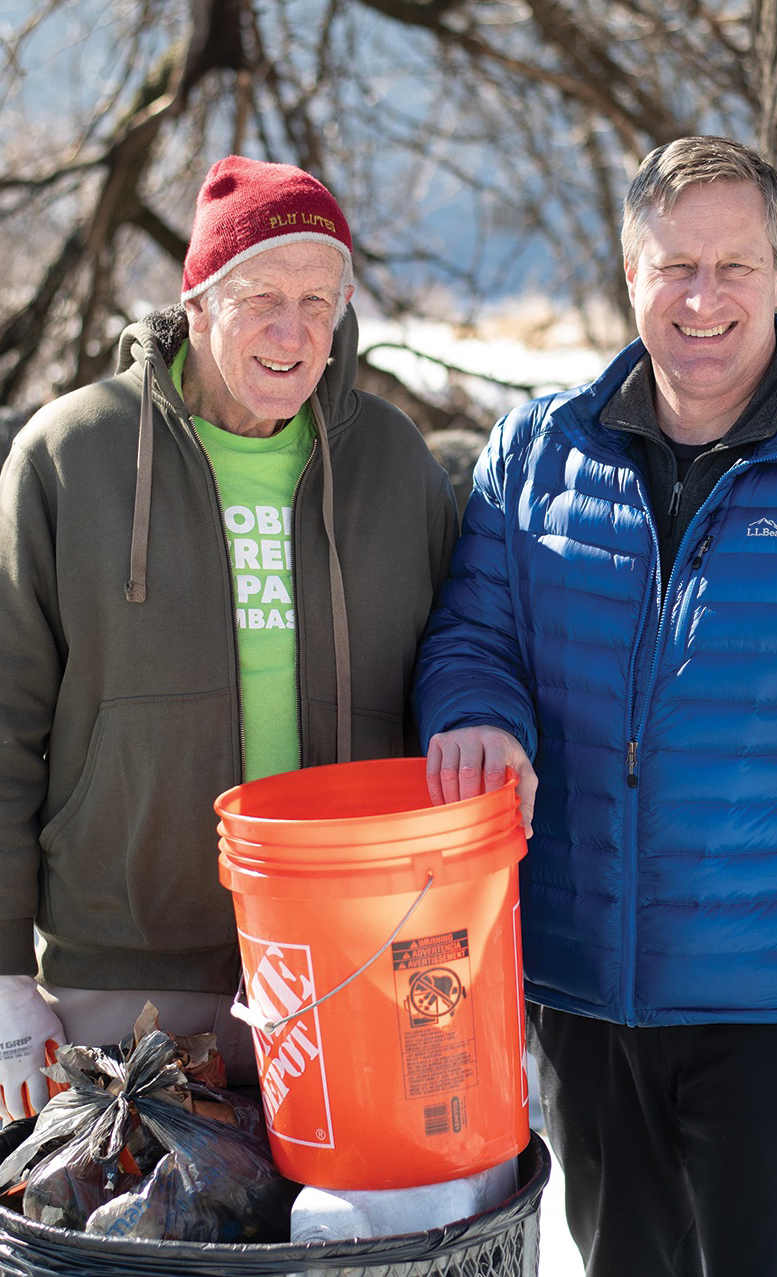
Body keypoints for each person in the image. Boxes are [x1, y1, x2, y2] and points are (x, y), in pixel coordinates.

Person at [413, 135, 777, 1276]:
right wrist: (476, 709)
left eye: (733, 266)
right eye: (674, 267)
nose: (702, 298)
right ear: (631, 274)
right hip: (583, 993)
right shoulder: (535, 455)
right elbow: (472, 635)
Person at [0, 155, 458, 1124]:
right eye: (261, 299)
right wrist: (1, 969)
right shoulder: (70, 456)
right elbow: (3, 721)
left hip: (351, 961)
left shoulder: (393, 463)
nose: (293, 332)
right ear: (198, 302)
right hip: (123, 974)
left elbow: (453, 682)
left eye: (317, 301)